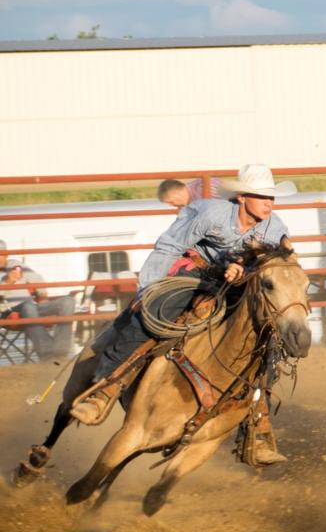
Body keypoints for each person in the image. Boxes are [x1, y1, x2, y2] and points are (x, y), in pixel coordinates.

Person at [69, 164, 295, 465]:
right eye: (262, 196)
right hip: (197, 274)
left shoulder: (275, 227)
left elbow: (275, 264)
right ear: (242, 197)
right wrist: (148, 289)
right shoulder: (210, 214)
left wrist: (243, 268)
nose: (269, 203)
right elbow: (170, 246)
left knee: (264, 344)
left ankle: (257, 428)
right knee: (151, 316)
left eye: (272, 198)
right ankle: (104, 389)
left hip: (239, 286)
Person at [0, 240, 75, 360]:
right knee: (28, 306)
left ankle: (61, 352)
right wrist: (8, 282)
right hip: (8, 311)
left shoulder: (14, 264)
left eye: (2, 254)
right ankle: (47, 355)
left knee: (68, 301)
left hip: (31, 307)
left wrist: (42, 296)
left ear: (7, 254)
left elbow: (37, 278)